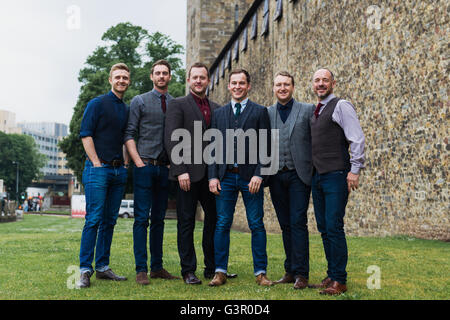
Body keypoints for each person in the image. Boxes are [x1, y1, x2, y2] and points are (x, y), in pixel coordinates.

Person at [208, 69, 272, 287]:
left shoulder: (260, 112)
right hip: (225, 177)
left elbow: (266, 146)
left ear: (248, 86)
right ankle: (220, 271)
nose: (237, 86)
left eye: (241, 83)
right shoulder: (219, 114)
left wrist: (259, 174)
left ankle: (261, 272)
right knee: (222, 223)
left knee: (256, 224)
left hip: (250, 178)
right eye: (234, 83)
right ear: (228, 86)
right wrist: (212, 177)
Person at [309, 68, 365, 295]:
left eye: (325, 80)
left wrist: (355, 169)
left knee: (334, 226)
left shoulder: (342, 106)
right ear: (313, 85)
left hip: (337, 175)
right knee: (324, 227)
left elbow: (357, 138)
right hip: (318, 176)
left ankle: (339, 280)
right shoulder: (316, 110)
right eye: (317, 80)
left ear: (333, 83)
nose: (321, 84)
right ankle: (332, 274)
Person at [164, 62, 221, 285]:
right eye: (194, 77)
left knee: (214, 222)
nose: (198, 81)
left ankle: (212, 268)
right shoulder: (177, 105)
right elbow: (171, 138)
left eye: (202, 77)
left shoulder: (217, 108)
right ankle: (188, 270)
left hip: (211, 176)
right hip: (187, 175)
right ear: (188, 80)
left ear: (208, 81)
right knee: (186, 222)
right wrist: (180, 170)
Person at [125, 60, 179, 285]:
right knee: (141, 219)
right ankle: (141, 269)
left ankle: (157, 267)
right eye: (158, 73)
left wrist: (173, 164)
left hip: (164, 169)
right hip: (144, 167)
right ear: (151, 76)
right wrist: (137, 162)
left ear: (170, 77)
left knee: (159, 219)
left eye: (165, 73)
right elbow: (129, 133)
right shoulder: (140, 101)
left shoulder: (176, 104)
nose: (161, 76)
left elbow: (180, 136)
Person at [77, 63, 131, 288]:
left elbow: (126, 138)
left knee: (110, 221)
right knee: (94, 219)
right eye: (118, 77)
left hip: (119, 171)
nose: (121, 81)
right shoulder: (97, 104)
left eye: (125, 78)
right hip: (98, 170)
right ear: (110, 79)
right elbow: (85, 134)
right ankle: (84, 270)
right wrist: (97, 163)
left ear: (128, 81)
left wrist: (126, 164)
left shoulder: (126, 109)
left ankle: (102, 267)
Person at [267, 71, 315, 289]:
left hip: (299, 175)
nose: (282, 88)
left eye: (286, 84)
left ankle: (302, 274)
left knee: (297, 222)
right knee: (285, 224)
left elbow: (316, 140)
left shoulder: (307, 110)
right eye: (278, 85)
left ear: (293, 87)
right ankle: (290, 270)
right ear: (274, 88)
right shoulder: (267, 113)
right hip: (276, 175)